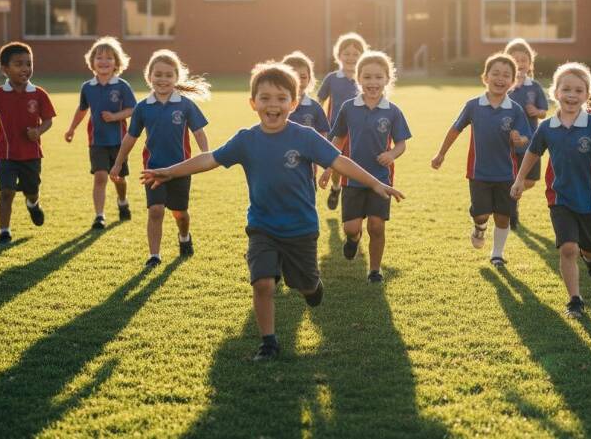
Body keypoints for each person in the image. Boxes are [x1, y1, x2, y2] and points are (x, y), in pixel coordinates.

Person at [141, 62, 404, 360]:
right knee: (263, 282)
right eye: (265, 98)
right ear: (253, 103)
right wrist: (170, 173)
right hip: (262, 227)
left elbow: (340, 161)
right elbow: (209, 159)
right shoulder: (246, 139)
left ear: (293, 103)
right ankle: (269, 342)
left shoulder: (304, 136)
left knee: (302, 285)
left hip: (301, 229)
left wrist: (375, 184)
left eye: (281, 98)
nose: (273, 105)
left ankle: (311, 286)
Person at [512, 62, 591, 318]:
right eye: (566, 89)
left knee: (589, 249)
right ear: (556, 92)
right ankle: (575, 299)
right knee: (568, 248)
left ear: (587, 95)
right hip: (559, 197)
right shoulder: (547, 127)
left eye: (579, 90)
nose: (572, 95)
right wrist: (519, 180)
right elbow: (532, 152)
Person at [319, 51, 411, 283]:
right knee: (351, 228)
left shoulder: (393, 111)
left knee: (377, 225)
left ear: (387, 80)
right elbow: (338, 140)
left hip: (381, 180)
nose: (373, 83)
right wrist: (329, 168)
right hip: (351, 179)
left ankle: (375, 270)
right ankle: (353, 239)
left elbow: (401, 144)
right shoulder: (349, 108)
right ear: (359, 79)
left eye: (378, 77)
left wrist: (391, 154)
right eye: (367, 77)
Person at [111, 49, 209, 267]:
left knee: (180, 214)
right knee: (155, 211)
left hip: (181, 169)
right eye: (158, 74)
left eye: (168, 75)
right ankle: (154, 256)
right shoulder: (143, 107)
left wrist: (207, 155)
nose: (163, 79)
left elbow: (199, 132)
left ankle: (184, 237)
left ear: (176, 78)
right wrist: (118, 163)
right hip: (153, 169)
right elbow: (130, 137)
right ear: (149, 76)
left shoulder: (185, 105)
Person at [431, 53, 531, 267]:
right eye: (495, 73)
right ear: (485, 77)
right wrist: (441, 153)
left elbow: (526, 139)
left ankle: (497, 254)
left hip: (506, 174)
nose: (500, 78)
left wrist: (519, 138)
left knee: (503, 216)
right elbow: (455, 129)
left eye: (506, 75)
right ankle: (479, 227)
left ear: (512, 82)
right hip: (479, 173)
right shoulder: (473, 105)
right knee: (482, 214)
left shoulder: (515, 109)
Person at [0, 42, 56, 244]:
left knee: (31, 190)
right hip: (5, 154)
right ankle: (4, 231)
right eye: (19, 64)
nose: (25, 68)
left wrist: (38, 131)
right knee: (6, 192)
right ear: (4, 69)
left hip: (31, 154)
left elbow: (48, 120)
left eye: (28, 63)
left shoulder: (38, 94)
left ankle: (33, 204)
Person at [64, 37, 137, 229]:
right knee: (100, 176)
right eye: (99, 57)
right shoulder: (87, 87)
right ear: (92, 62)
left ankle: (122, 201)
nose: (103, 61)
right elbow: (82, 110)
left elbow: (132, 109)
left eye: (109, 58)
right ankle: (99, 216)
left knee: (119, 178)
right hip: (96, 141)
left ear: (117, 63)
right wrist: (71, 129)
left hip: (120, 141)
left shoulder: (122, 86)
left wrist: (115, 116)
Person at [318, 33, 368, 210]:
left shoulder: (365, 79)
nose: (351, 58)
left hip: (358, 132)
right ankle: (336, 187)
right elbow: (320, 100)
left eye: (355, 54)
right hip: (335, 130)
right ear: (338, 56)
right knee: (336, 164)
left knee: (355, 164)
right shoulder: (332, 78)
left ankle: (352, 196)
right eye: (346, 53)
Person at [504, 38, 548, 230]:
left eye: (524, 59)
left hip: (532, 139)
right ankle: (511, 212)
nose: (520, 63)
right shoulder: (505, 85)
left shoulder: (535, 87)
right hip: (510, 141)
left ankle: (514, 195)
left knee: (529, 180)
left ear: (530, 63)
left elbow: (545, 111)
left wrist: (536, 112)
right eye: (515, 60)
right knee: (512, 176)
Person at [282, 51, 329, 135]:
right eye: (293, 77)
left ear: (309, 79)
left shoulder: (315, 107)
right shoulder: (277, 106)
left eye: (303, 77)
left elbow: (323, 135)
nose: (298, 81)